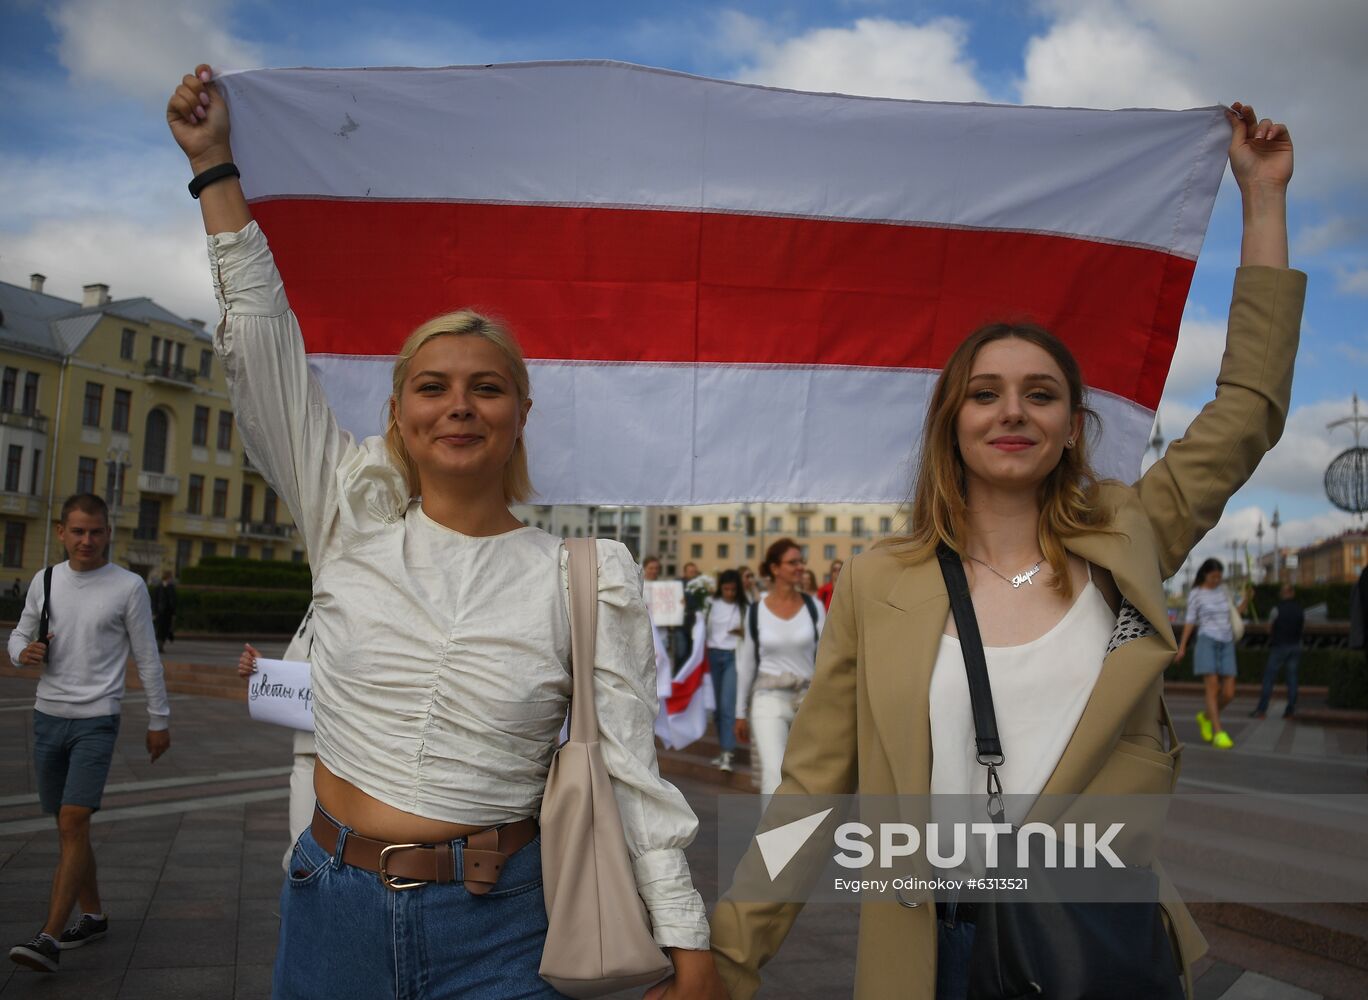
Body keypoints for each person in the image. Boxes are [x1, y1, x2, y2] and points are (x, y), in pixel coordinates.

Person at [710, 102, 1301, 999]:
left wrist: (1262, 199)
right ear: (953, 423)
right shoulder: (881, 582)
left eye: (1041, 394)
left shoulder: (1127, 536)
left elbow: (1248, 408)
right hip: (932, 957)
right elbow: (810, 792)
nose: (1013, 411)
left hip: (1094, 947)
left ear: (1072, 428)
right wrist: (729, 957)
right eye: (985, 394)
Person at [167, 66, 722, 1000]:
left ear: (520, 413)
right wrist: (214, 169)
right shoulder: (348, 517)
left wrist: (690, 949)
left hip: (502, 926)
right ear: (398, 413)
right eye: (433, 386)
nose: (458, 405)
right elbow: (260, 348)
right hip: (329, 908)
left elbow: (633, 775)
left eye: (486, 386)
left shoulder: (585, 575)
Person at [7, 494, 172, 973]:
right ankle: (94, 914)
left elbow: (147, 657)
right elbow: (18, 635)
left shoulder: (128, 586)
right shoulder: (47, 580)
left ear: (108, 532)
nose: (86, 540)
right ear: (61, 532)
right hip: (46, 715)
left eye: (96, 531)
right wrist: (24, 653)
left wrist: (159, 720)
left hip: (97, 718)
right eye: (77, 531)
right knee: (68, 826)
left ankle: (48, 937)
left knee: (73, 821)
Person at [733, 539, 825, 797]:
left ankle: (803, 836)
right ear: (775, 568)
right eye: (793, 562)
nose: (800, 567)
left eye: (801, 561)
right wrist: (740, 711)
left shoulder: (813, 608)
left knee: (806, 779)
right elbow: (748, 663)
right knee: (773, 776)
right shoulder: (756, 611)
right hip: (768, 699)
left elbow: (826, 658)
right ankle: (773, 838)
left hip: (807, 701)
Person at [238, 606, 317, 870]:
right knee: (301, 858)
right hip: (310, 750)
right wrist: (262, 670)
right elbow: (297, 663)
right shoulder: (321, 593)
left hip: (357, 754)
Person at [1175, 557, 1248, 748]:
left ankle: (1205, 717)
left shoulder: (1224, 591)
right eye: (1213, 576)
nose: (1216, 580)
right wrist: (1182, 647)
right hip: (1207, 640)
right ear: (1205, 574)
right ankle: (1218, 732)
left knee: (1229, 693)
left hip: (1226, 642)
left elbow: (1235, 613)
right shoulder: (1196, 594)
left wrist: (1248, 599)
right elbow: (1190, 621)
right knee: (1213, 688)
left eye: (1219, 577)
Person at [705, 570, 747, 773]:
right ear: (721, 588)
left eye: (733, 589)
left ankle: (729, 752)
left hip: (733, 656)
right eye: (726, 588)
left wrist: (743, 632)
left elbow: (753, 633)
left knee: (727, 704)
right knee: (718, 709)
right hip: (713, 655)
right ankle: (723, 749)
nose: (729, 592)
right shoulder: (711, 604)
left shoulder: (744, 607)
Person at [1251, 582, 1303, 719]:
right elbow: (1301, 628)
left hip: (1279, 646)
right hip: (1295, 646)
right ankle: (1290, 711)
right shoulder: (1299, 610)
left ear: (1283, 594)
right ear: (1293, 593)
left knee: (1269, 679)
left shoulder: (1276, 609)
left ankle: (1261, 710)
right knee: (1292, 680)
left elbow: (1268, 628)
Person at [152, 570, 177, 651]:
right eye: (170, 577)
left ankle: (160, 645)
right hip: (160, 612)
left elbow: (173, 601)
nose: (171, 579)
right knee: (160, 629)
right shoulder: (159, 587)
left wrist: (173, 612)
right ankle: (159, 646)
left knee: (165, 629)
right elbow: (155, 600)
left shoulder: (171, 587)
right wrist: (154, 612)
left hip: (168, 612)